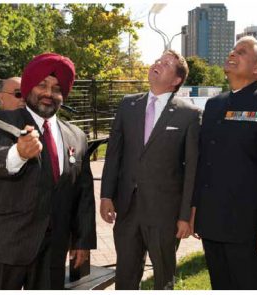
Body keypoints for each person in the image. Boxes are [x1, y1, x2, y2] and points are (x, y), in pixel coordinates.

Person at [0, 53, 96, 290]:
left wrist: (82, 241)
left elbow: (83, 192)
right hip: (10, 247)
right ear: (28, 88)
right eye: (42, 85)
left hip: (54, 251)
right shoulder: (2, 122)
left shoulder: (76, 136)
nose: (49, 93)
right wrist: (18, 154)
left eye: (57, 88)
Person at [100, 50, 202, 290]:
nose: (158, 63)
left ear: (177, 80)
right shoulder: (128, 105)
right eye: (158, 60)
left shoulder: (190, 115)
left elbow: (192, 170)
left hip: (165, 213)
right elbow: (114, 154)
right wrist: (106, 195)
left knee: (163, 277)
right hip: (126, 209)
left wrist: (185, 216)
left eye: (166, 64)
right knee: (125, 275)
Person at [190, 36, 257, 290]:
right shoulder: (215, 105)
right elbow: (204, 162)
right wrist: (196, 210)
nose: (232, 53)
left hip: (247, 228)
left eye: (241, 52)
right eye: (232, 49)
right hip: (212, 222)